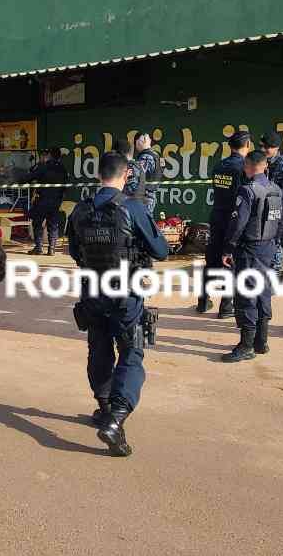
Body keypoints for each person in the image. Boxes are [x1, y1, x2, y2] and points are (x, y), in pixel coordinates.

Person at [68, 153, 169, 457]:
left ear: (99, 175)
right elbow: (161, 250)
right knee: (131, 352)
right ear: (126, 175)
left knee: (98, 349)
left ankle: (104, 407)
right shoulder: (132, 207)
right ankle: (116, 417)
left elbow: (75, 251)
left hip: (92, 294)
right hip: (125, 295)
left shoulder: (79, 210)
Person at [220, 151, 283, 363]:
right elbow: (281, 222)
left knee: (247, 295)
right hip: (269, 247)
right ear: (265, 166)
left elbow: (238, 223)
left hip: (249, 248)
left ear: (247, 167)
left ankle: (246, 345)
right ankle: (261, 341)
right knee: (263, 292)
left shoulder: (248, 190)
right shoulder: (276, 189)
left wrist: (228, 248)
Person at [198, 130, 251, 318]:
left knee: (211, 259)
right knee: (229, 260)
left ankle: (203, 301)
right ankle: (226, 307)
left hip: (217, 215)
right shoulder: (244, 167)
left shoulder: (219, 166)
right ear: (248, 145)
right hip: (233, 219)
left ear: (230, 146)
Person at [25, 149, 68, 255]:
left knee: (37, 223)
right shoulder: (62, 169)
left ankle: (39, 248)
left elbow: (30, 177)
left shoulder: (44, 166)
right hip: (56, 201)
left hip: (42, 200)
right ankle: (51, 249)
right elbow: (65, 186)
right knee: (53, 224)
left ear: (49, 155)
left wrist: (20, 179)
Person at [261, 131, 283, 270]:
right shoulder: (260, 162)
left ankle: (274, 272)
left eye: (267, 147)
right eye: (261, 146)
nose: (263, 150)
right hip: (261, 208)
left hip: (277, 209)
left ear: (276, 148)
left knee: (275, 242)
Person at [133, 132, 163, 216]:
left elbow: (138, 176)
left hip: (144, 196)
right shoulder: (156, 155)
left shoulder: (145, 156)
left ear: (138, 142)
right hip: (150, 195)